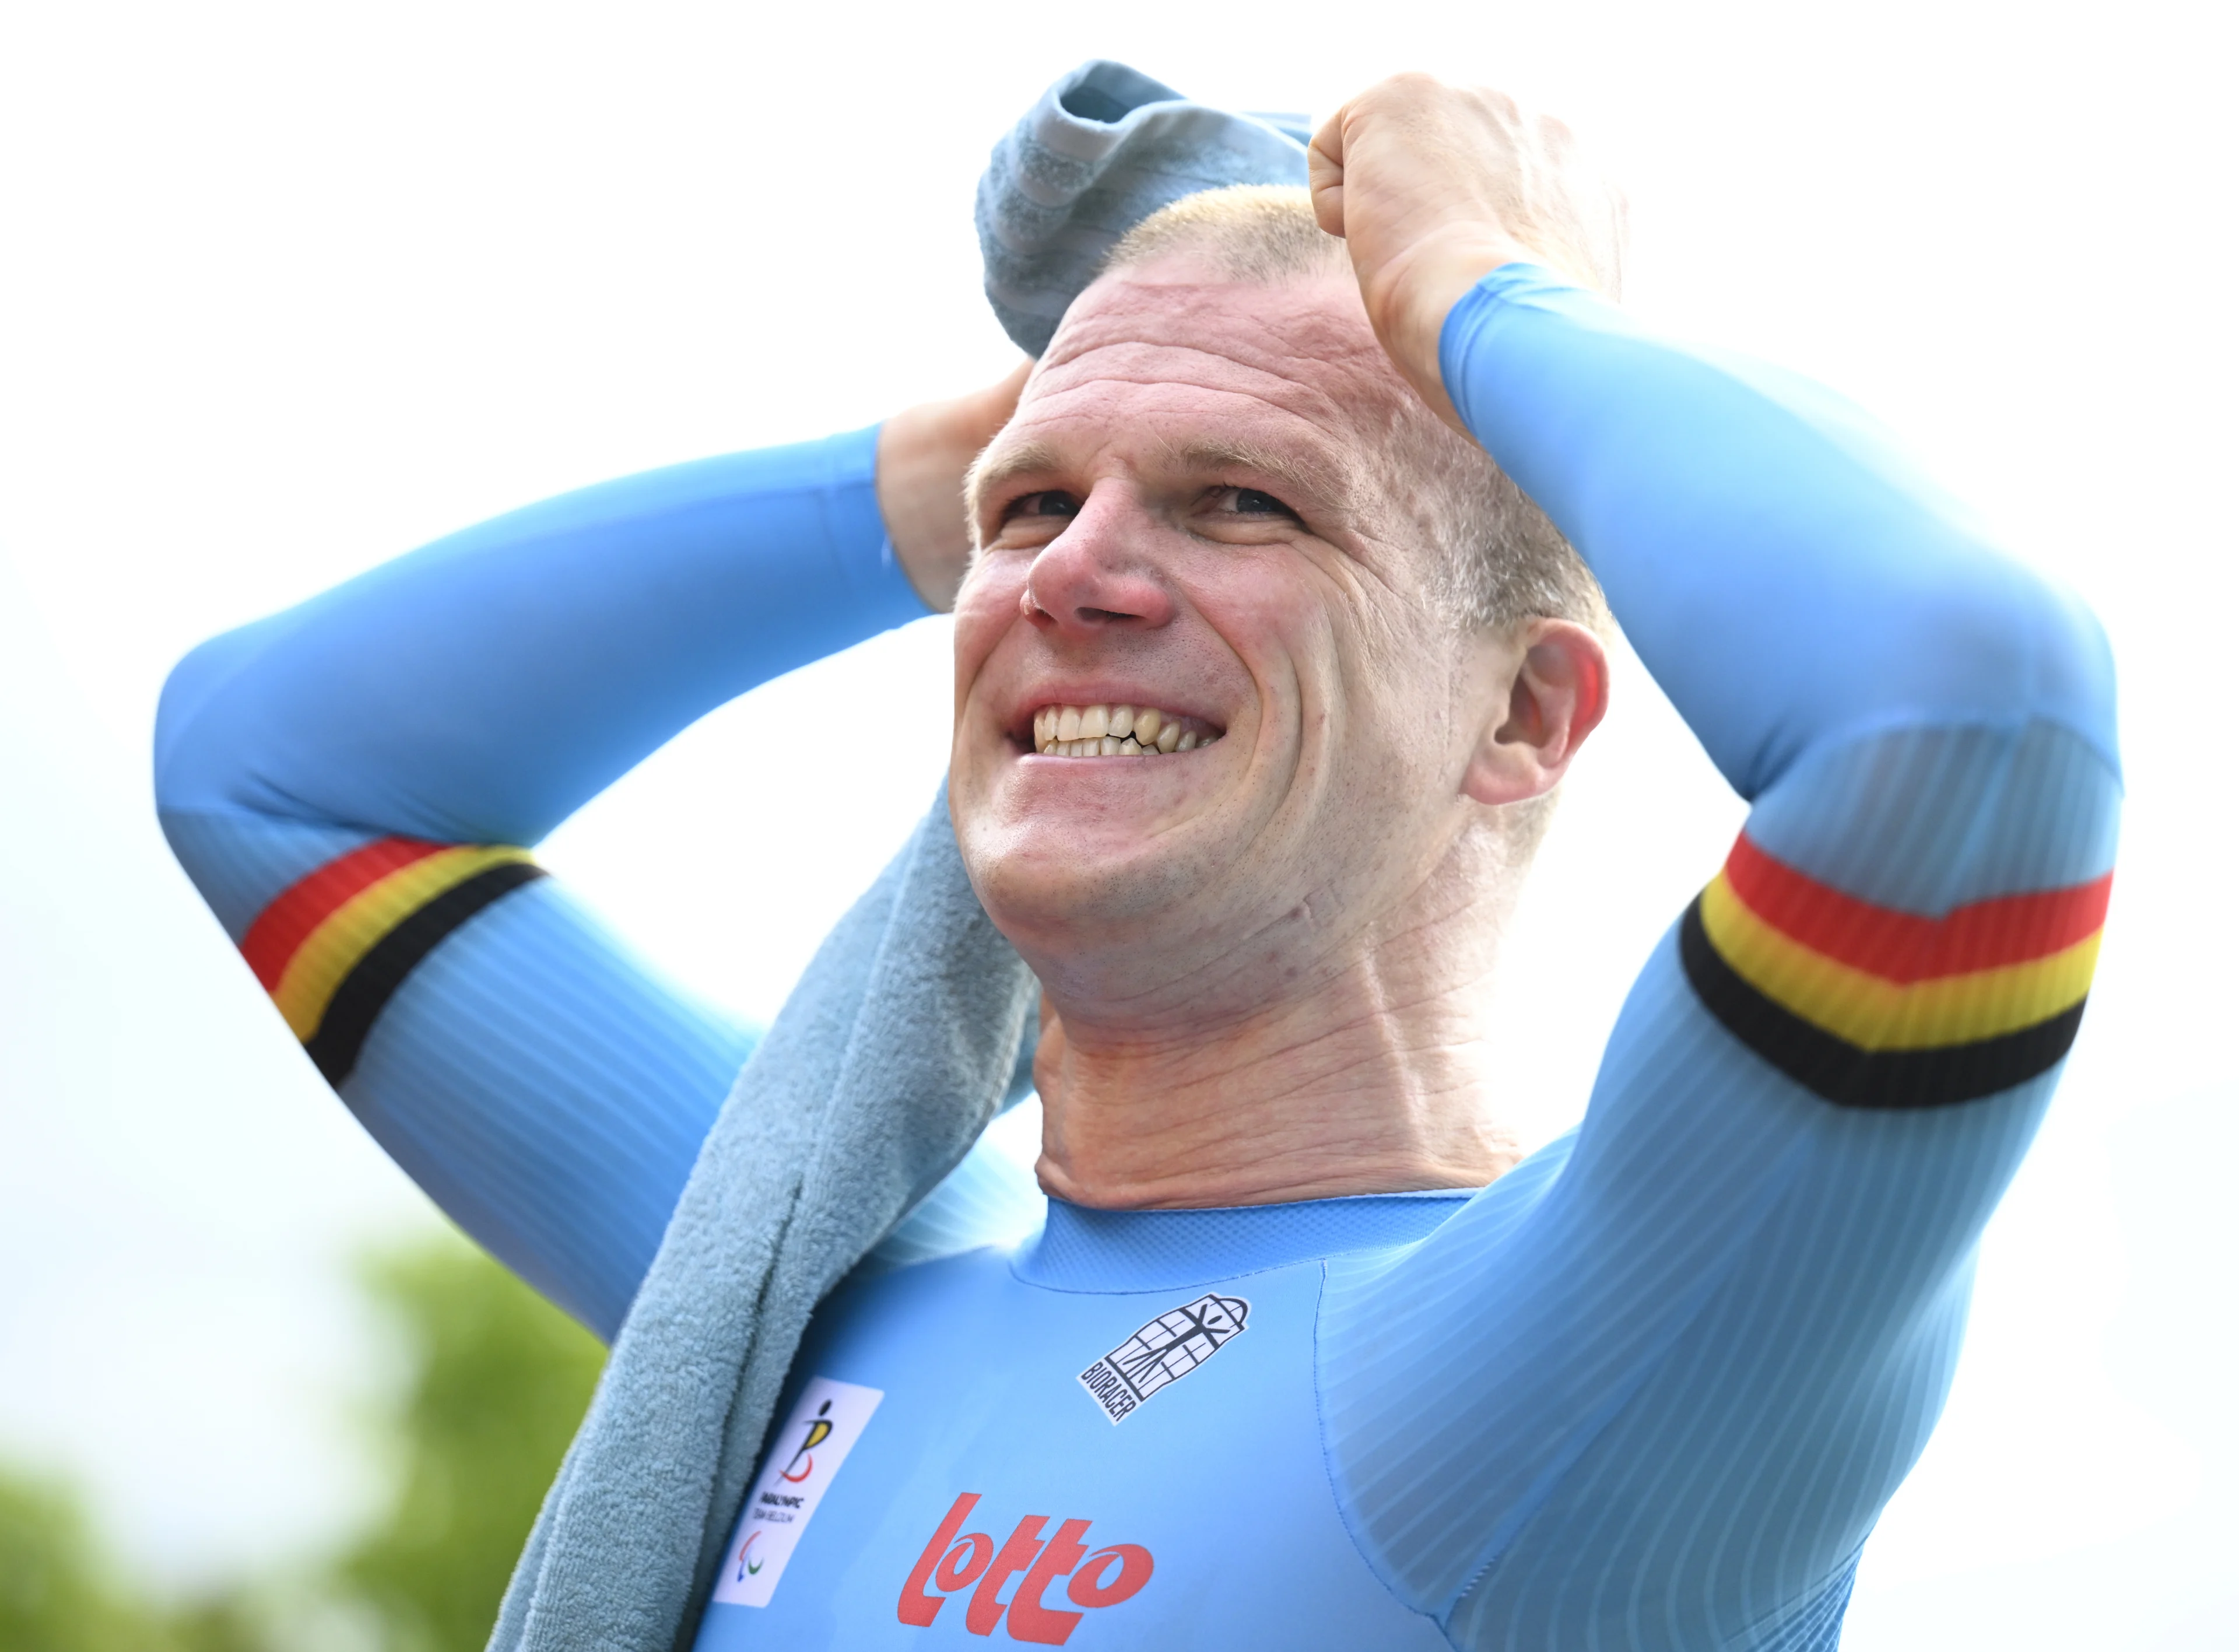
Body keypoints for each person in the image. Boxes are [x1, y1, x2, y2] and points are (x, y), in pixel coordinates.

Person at [155, 73, 2117, 1651]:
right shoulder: (808, 1257)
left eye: (1242, 502)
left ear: (1522, 719)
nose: (1071, 575)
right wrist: (956, 477)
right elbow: (262, 769)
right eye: (1035, 513)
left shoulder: (1569, 1376)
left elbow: (1969, 715)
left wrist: (1483, 285)